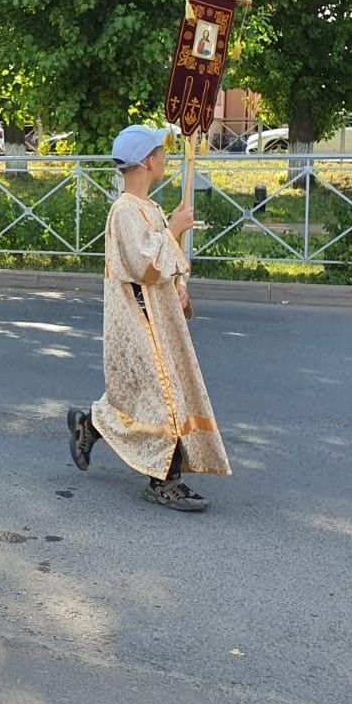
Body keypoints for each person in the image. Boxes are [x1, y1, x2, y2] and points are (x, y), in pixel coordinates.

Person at [66, 124, 230, 511]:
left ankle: (89, 425)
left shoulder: (150, 207)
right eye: (160, 151)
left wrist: (178, 284)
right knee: (163, 399)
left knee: (150, 397)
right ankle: (163, 482)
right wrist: (174, 229)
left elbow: (162, 267)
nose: (166, 157)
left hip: (158, 316)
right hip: (139, 320)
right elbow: (144, 266)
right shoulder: (124, 210)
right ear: (146, 161)